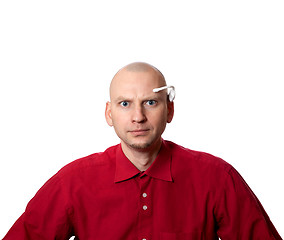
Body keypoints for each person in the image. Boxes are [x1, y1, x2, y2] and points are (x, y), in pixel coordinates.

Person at [3, 62, 282, 240]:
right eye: (125, 104)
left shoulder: (217, 177)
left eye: (150, 102)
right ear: (108, 113)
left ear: (169, 110)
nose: (138, 116)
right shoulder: (73, 182)